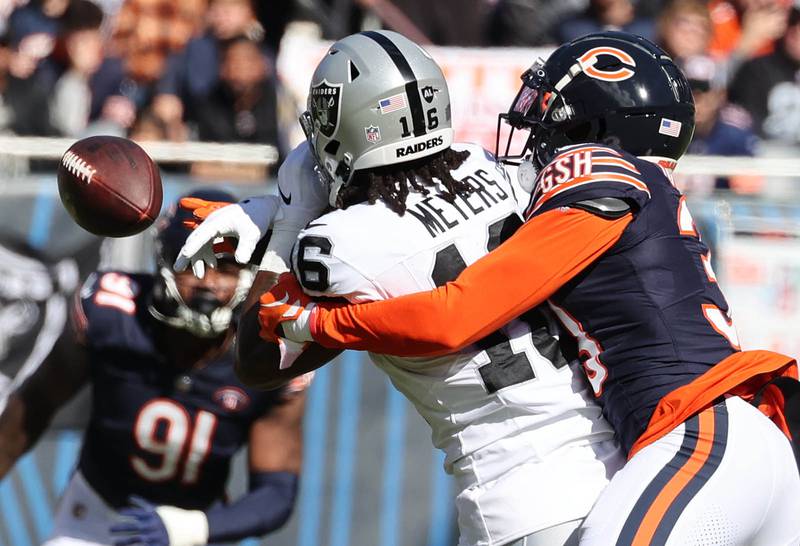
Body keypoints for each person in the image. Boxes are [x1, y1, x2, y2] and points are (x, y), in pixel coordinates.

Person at [256, 31, 800, 544]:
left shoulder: (593, 174)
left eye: (550, 119)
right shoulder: (614, 192)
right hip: (718, 441)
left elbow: (457, 314)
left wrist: (317, 318)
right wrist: (255, 211)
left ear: (594, 133)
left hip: (697, 436)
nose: (534, 135)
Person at [178, 30, 624, 546]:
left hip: (515, 496)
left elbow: (257, 359)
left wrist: (288, 219)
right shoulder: (492, 170)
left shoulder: (338, 245)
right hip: (610, 463)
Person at [0, 190, 306, 546]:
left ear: (248, 275)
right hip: (96, 512)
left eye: (225, 268)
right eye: (194, 264)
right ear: (164, 262)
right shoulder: (115, 309)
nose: (207, 282)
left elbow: (276, 493)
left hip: (193, 526)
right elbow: (30, 411)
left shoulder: (268, 352)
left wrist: (192, 529)